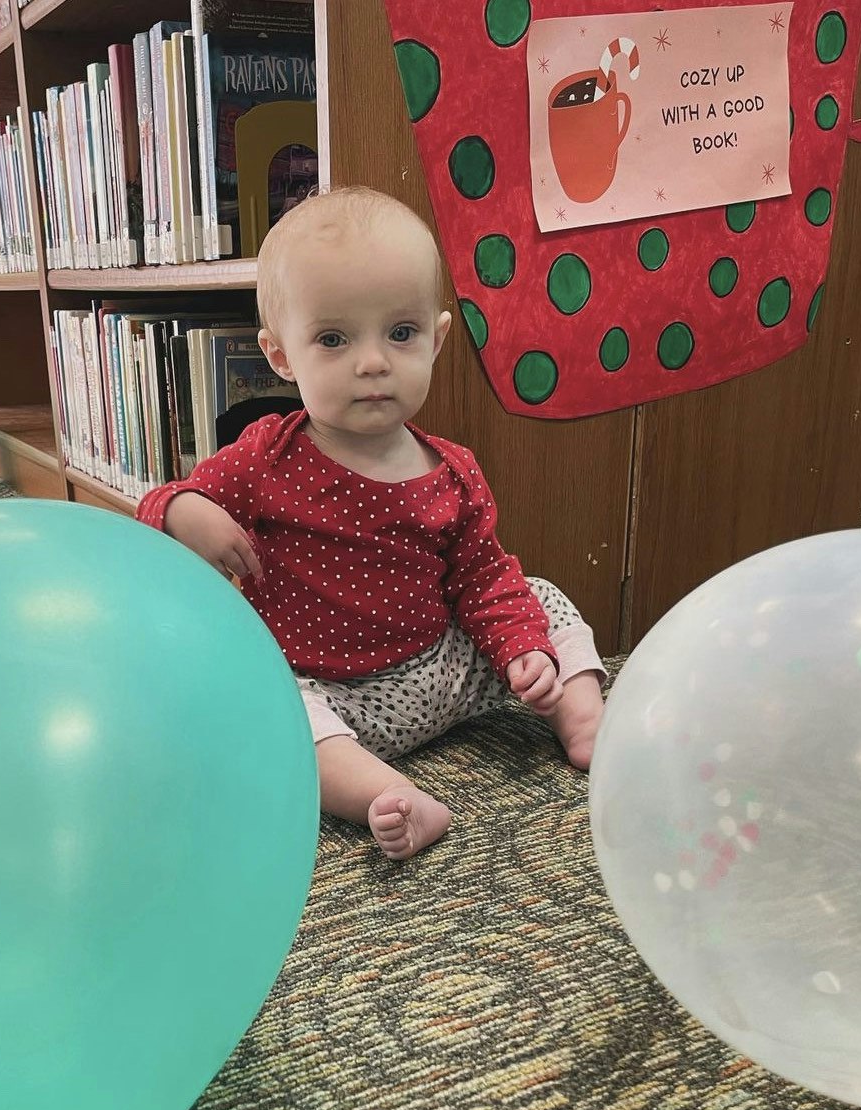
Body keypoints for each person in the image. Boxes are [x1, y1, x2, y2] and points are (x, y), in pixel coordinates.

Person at [137, 186, 605, 860]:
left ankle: (581, 715)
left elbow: (483, 579)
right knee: (265, 716)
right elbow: (155, 507)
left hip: (439, 672)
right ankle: (387, 794)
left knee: (541, 592)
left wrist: (523, 650)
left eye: (401, 333)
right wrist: (186, 511)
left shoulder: (453, 470)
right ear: (281, 357)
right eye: (333, 339)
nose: (373, 362)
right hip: (329, 697)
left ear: (437, 339)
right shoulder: (264, 456)